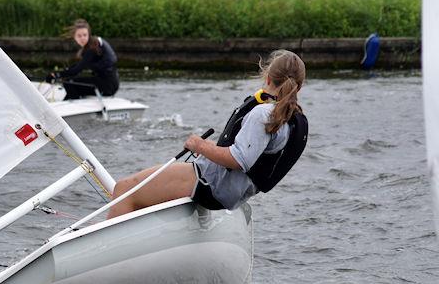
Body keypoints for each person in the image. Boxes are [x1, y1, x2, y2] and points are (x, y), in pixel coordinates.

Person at [107, 49, 308, 219]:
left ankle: (102, 254)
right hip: (228, 189)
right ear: (299, 86)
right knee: (140, 200)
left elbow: (238, 159)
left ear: (268, 77)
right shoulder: (291, 117)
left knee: (124, 190)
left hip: (212, 184)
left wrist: (200, 145)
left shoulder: (264, 114)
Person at [45, 19, 119, 100]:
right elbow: (79, 65)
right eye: (79, 36)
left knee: (69, 82)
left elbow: (76, 71)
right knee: (70, 81)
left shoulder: (92, 48)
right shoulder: (91, 45)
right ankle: (72, 100)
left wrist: (56, 75)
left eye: (85, 35)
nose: (82, 38)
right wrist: (64, 72)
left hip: (108, 86)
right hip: (108, 83)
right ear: (74, 37)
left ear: (89, 35)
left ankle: (72, 105)